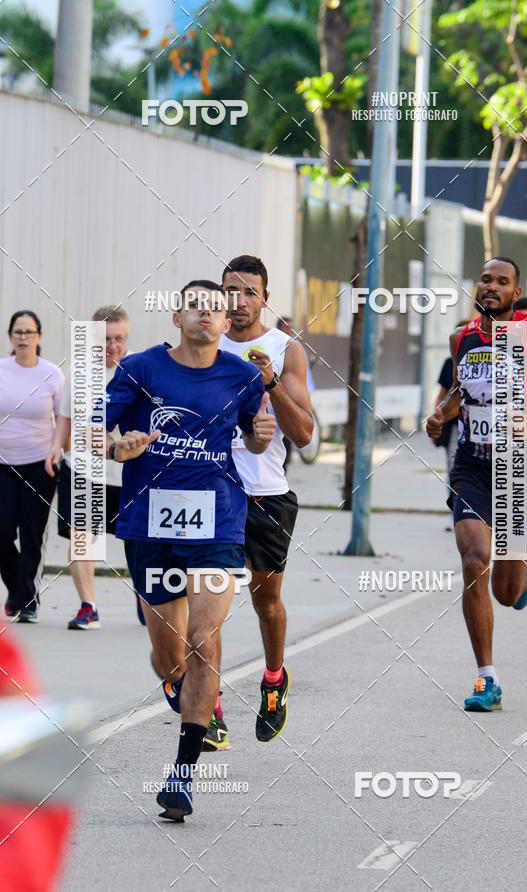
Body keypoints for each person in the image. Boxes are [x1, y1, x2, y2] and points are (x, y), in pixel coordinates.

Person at [101, 280, 275, 821]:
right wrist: (117, 447)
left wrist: (261, 436)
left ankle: (182, 774)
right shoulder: (140, 369)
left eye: (215, 308)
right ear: (176, 317)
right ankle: (181, 687)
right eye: (195, 305)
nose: (206, 313)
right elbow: (93, 433)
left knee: (203, 639)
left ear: (226, 323)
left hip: (217, 523)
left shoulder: (242, 376)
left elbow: (254, 438)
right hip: (150, 527)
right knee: (169, 657)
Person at [426, 258, 527, 712]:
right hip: (472, 465)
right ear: (476, 286)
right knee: (474, 558)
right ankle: (487, 678)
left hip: (519, 469)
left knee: (507, 592)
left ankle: (523, 567)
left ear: (516, 293)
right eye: (486, 279)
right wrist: (440, 416)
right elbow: (460, 393)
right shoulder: (462, 338)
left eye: (502, 282)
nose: (492, 286)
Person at [221, 256, 313, 743]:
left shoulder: (284, 349)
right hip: (211, 491)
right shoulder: (203, 344)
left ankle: (274, 679)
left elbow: (304, 434)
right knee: (205, 600)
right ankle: (207, 703)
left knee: (267, 601)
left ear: (266, 298)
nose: (238, 302)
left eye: (249, 292)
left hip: (265, 493)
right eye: (230, 292)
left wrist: (271, 382)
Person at [45, 306, 139, 629]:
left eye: (119, 339)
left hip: (128, 472)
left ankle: (145, 596)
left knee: (136, 543)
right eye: (105, 340)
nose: (113, 346)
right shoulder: (79, 369)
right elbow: (66, 417)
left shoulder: (139, 368)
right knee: (81, 536)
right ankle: (89, 607)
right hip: (83, 469)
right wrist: (56, 446)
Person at [0, 310, 64, 623]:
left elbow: (63, 418)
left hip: (40, 465)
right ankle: (20, 590)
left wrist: (56, 449)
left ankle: (25, 602)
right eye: (18, 332)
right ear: (10, 336)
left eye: (29, 332)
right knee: (1, 530)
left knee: (31, 534)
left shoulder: (52, 374)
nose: (23, 337)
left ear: (39, 336)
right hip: (3, 465)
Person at [432, 320, 469, 530]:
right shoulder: (450, 363)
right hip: (455, 426)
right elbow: (443, 394)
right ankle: (454, 511)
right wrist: (437, 418)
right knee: (454, 469)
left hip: (480, 428)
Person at [276, 316, 315, 471]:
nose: (289, 330)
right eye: (286, 327)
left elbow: (305, 380)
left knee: (287, 438)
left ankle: (284, 467)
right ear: (279, 327)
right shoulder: (272, 345)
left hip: (290, 402)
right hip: (273, 405)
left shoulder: (295, 349)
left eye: (291, 328)